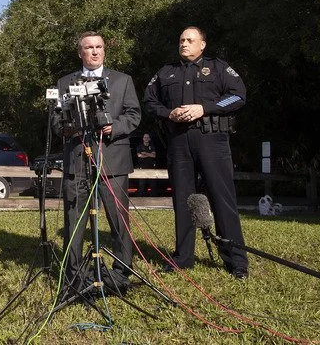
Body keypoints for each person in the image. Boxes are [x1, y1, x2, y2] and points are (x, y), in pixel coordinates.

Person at [143, 26, 249, 279]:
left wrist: (206, 108)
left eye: (190, 40)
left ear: (203, 44)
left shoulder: (219, 68)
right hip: (178, 142)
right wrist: (167, 113)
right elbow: (149, 101)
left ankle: (236, 261)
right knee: (183, 200)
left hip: (212, 141)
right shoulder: (165, 72)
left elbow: (238, 96)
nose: (184, 44)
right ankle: (182, 258)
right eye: (181, 40)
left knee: (222, 200)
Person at [53, 31, 141, 297]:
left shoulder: (123, 80)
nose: (94, 51)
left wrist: (114, 127)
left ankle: (121, 274)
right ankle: (75, 277)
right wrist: (69, 128)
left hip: (112, 159)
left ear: (104, 50)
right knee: (74, 220)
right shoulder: (65, 82)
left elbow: (134, 115)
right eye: (88, 47)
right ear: (80, 52)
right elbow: (56, 121)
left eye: (99, 47)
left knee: (118, 220)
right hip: (78, 160)